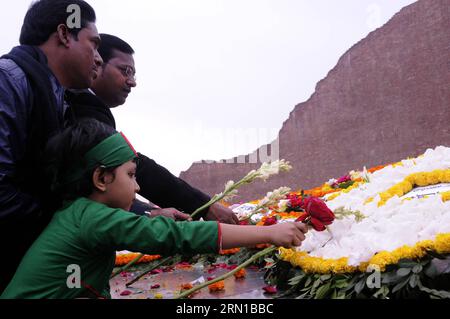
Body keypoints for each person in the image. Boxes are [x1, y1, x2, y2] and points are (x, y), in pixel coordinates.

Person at [0, 119, 308, 299]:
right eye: (131, 175)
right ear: (101, 178)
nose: (136, 188)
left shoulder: (78, 213)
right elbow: (175, 236)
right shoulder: (92, 218)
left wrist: (151, 215)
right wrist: (269, 233)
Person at [65, 34, 239, 224]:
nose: (132, 82)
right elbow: (130, 167)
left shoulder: (84, 104)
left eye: (133, 74)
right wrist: (204, 206)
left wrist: (148, 211)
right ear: (96, 62)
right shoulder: (82, 104)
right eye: (125, 71)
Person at [0, 0, 102, 292]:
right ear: (64, 33)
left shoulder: (60, 99)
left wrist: (137, 212)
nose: (97, 58)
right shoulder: (9, 80)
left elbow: (73, 187)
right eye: (93, 44)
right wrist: (67, 222)